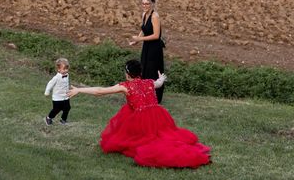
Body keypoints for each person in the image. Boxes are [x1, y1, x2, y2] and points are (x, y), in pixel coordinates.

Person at [67, 59, 210, 168]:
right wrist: (161, 79)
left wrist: (79, 90)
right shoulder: (149, 82)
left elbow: (100, 91)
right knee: (162, 135)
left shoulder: (126, 86)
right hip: (158, 116)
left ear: (128, 73)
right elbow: (158, 84)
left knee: (148, 140)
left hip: (142, 119)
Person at [129, 0, 165, 103]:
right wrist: (137, 41)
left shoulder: (155, 16)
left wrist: (140, 39)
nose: (145, 6)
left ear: (152, 4)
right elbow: (144, 29)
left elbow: (156, 35)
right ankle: (146, 95)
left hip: (154, 49)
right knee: (144, 70)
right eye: (143, 3)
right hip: (146, 47)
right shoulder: (144, 14)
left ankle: (155, 98)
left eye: (147, 4)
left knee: (152, 71)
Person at [44, 57, 71, 125]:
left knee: (67, 108)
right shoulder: (56, 78)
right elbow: (50, 84)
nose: (65, 70)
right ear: (58, 69)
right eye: (64, 69)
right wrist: (47, 91)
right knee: (56, 109)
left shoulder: (67, 75)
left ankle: (63, 120)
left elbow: (66, 84)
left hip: (65, 96)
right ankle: (49, 118)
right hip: (57, 97)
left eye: (67, 69)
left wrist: (68, 91)